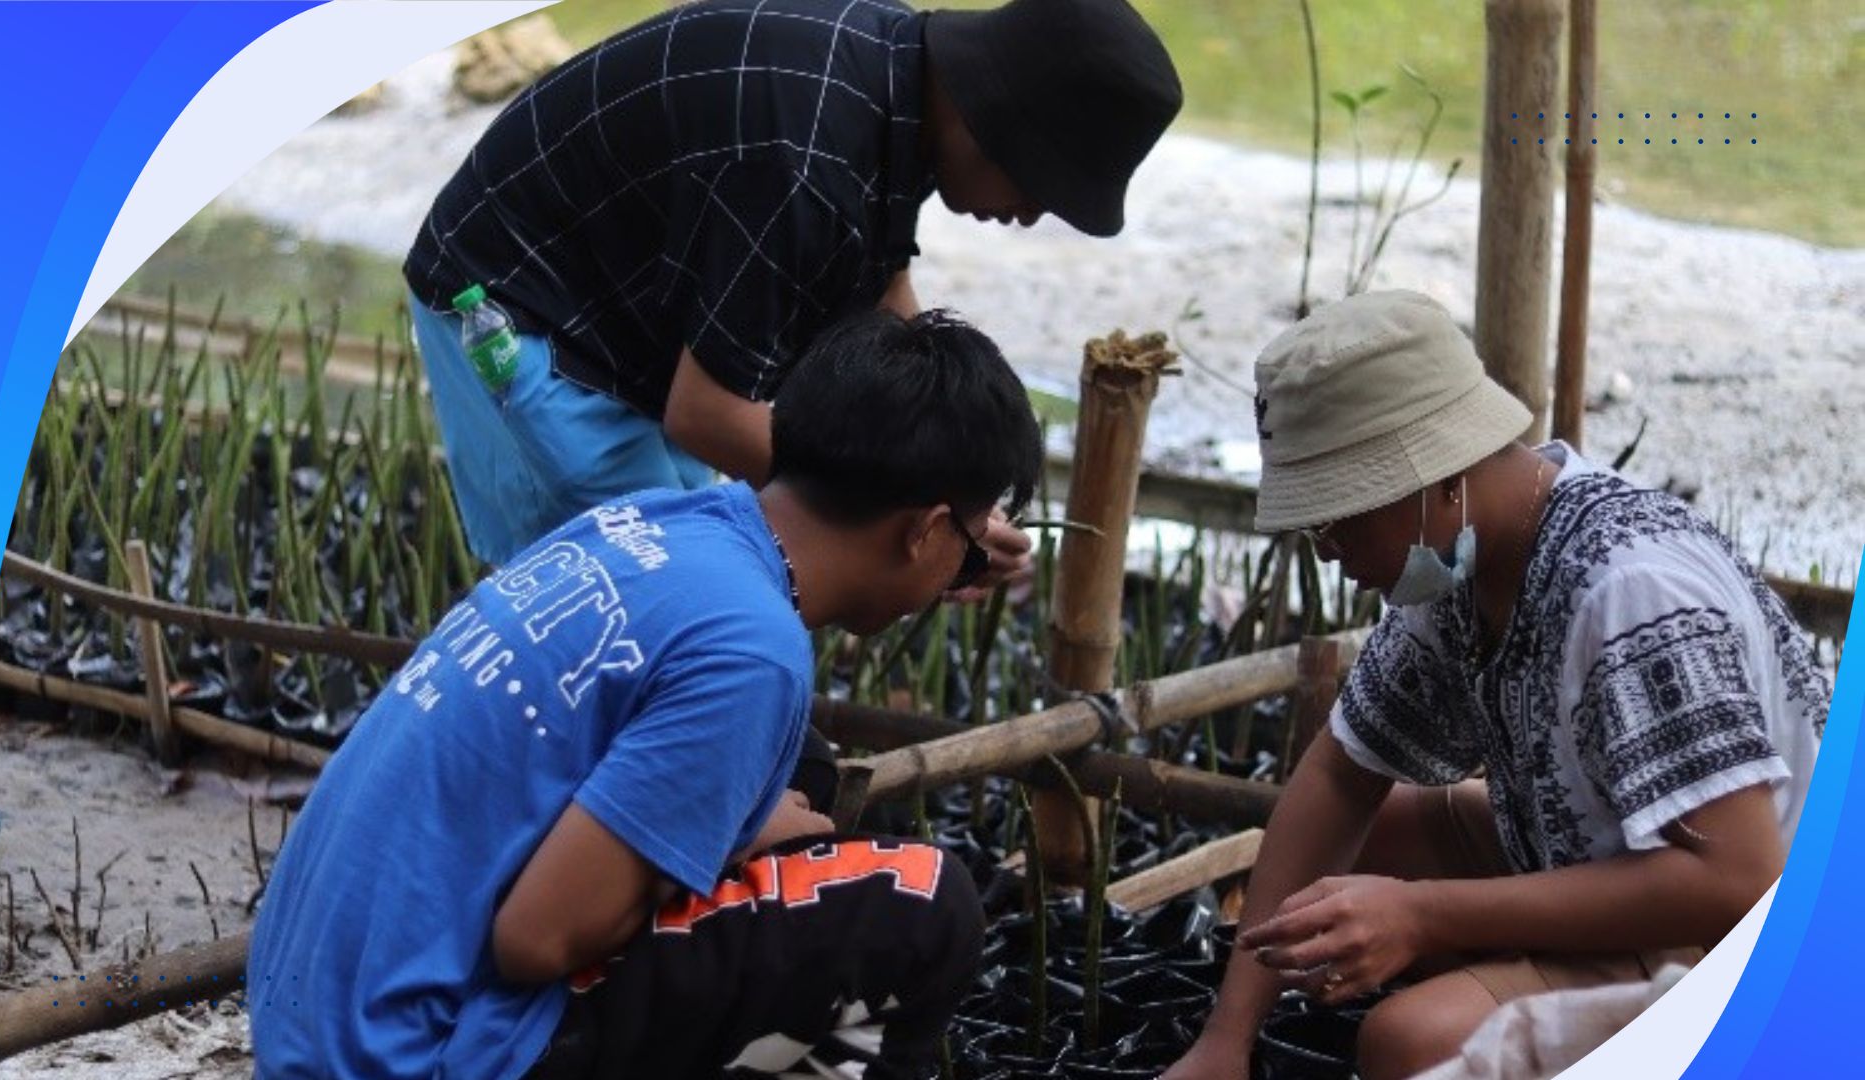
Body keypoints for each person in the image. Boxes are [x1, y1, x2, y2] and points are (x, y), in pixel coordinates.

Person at [248, 310, 1044, 1079]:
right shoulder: (752, 652)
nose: (961, 578)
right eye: (971, 554)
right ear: (926, 532)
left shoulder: (655, 520)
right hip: (415, 1051)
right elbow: (536, 940)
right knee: (924, 909)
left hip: (318, 1020)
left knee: (802, 765)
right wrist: (734, 838)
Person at [1163, 291, 1829, 1080]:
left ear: (1441, 478)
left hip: (1772, 936)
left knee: (1411, 1042)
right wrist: (1226, 1039)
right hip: (1615, 851)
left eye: (1340, 514)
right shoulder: (1461, 561)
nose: (1328, 549)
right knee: (1360, 844)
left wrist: (1426, 917)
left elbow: (1738, 877)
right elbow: (1344, 772)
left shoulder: (1633, 592)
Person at [402, 0, 1181, 571]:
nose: (1034, 211)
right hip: (517, 302)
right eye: (1044, 184)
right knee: (637, 590)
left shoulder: (895, 75)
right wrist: (898, 513)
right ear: (992, 120)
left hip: (631, 311)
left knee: (693, 557)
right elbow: (707, 414)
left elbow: (884, 305)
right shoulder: (804, 160)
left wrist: (954, 486)